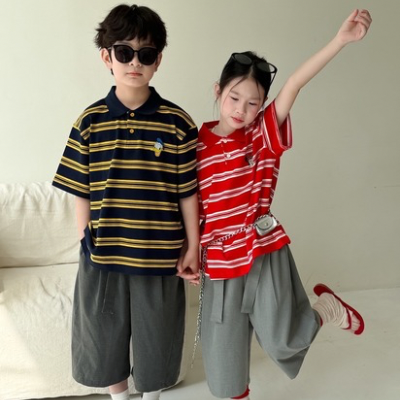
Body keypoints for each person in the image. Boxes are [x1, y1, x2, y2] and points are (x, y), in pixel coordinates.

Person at [191, 9, 372, 400]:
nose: (240, 109)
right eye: (234, 97)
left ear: (262, 107)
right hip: (218, 262)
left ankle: (326, 309)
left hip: (262, 250)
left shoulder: (263, 134)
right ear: (217, 90)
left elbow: (294, 83)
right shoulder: (193, 147)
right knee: (222, 365)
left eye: (252, 103)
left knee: (283, 338)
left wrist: (339, 41)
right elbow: (190, 207)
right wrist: (189, 252)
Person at [53, 4, 199, 400]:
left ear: (158, 60)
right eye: (124, 52)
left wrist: (193, 245)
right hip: (104, 253)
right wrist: (85, 237)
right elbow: (80, 189)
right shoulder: (89, 122)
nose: (135, 62)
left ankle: (151, 397)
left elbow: (188, 191)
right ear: (107, 57)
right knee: (102, 337)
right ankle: (118, 397)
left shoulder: (178, 123)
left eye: (146, 54)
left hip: (160, 255)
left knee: (159, 338)